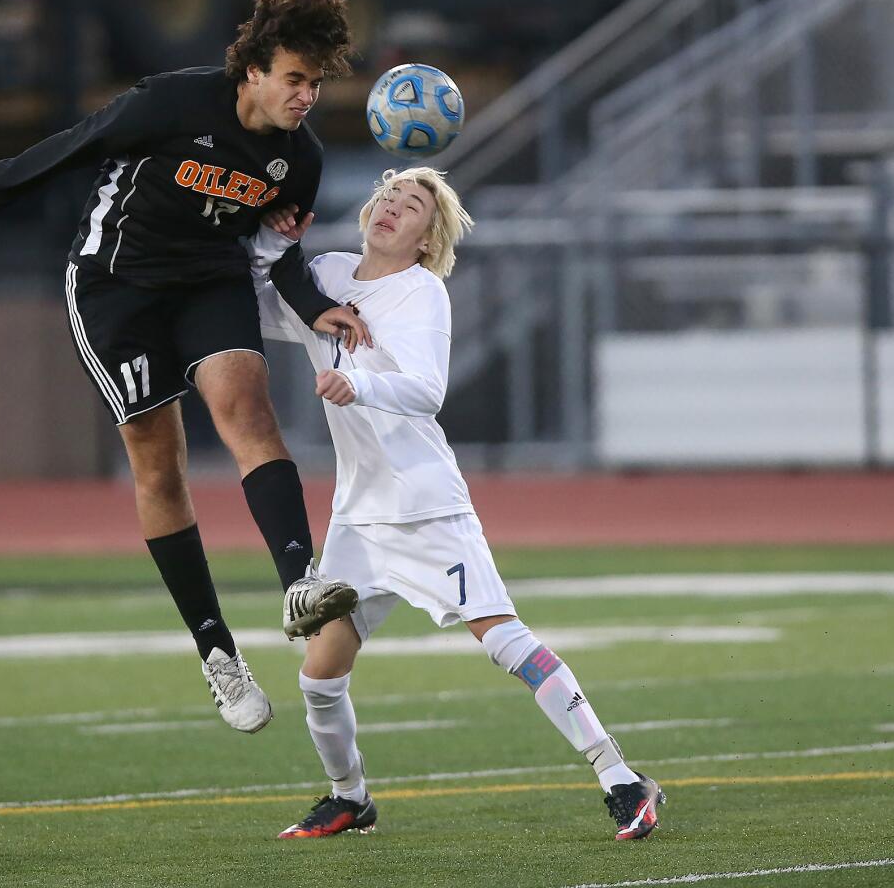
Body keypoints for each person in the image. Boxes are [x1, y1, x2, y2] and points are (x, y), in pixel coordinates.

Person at [0, 0, 367, 735]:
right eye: (294, 79)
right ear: (252, 69)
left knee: (249, 413)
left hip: (208, 283)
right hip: (114, 286)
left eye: (315, 84)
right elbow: (76, 146)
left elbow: (278, 253)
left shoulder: (301, 157)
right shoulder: (172, 102)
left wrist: (314, 303)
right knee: (159, 461)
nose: (305, 97)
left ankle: (301, 582)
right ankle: (216, 651)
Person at [248, 166, 666, 841]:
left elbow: (424, 390)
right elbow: (258, 310)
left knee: (503, 640)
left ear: (425, 237)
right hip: (358, 514)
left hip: (425, 505)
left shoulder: (421, 294)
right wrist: (268, 248)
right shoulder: (324, 271)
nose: (391, 207)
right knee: (319, 673)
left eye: (411, 205)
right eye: (387, 195)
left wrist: (362, 387)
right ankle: (348, 797)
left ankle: (621, 777)